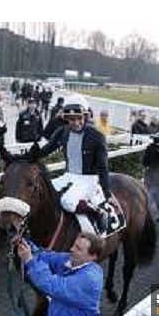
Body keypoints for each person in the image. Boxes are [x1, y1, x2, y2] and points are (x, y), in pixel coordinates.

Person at [32, 95, 114, 233]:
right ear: (66, 119)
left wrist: (106, 193)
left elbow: (103, 167)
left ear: (85, 117)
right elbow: (46, 150)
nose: (75, 122)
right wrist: (25, 157)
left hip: (88, 179)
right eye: (71, 119)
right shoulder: (62, 132)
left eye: (79, 118)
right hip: (69, 176)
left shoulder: (97, 136)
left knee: (67, 202)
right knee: (43, 192)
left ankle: (98, 212)